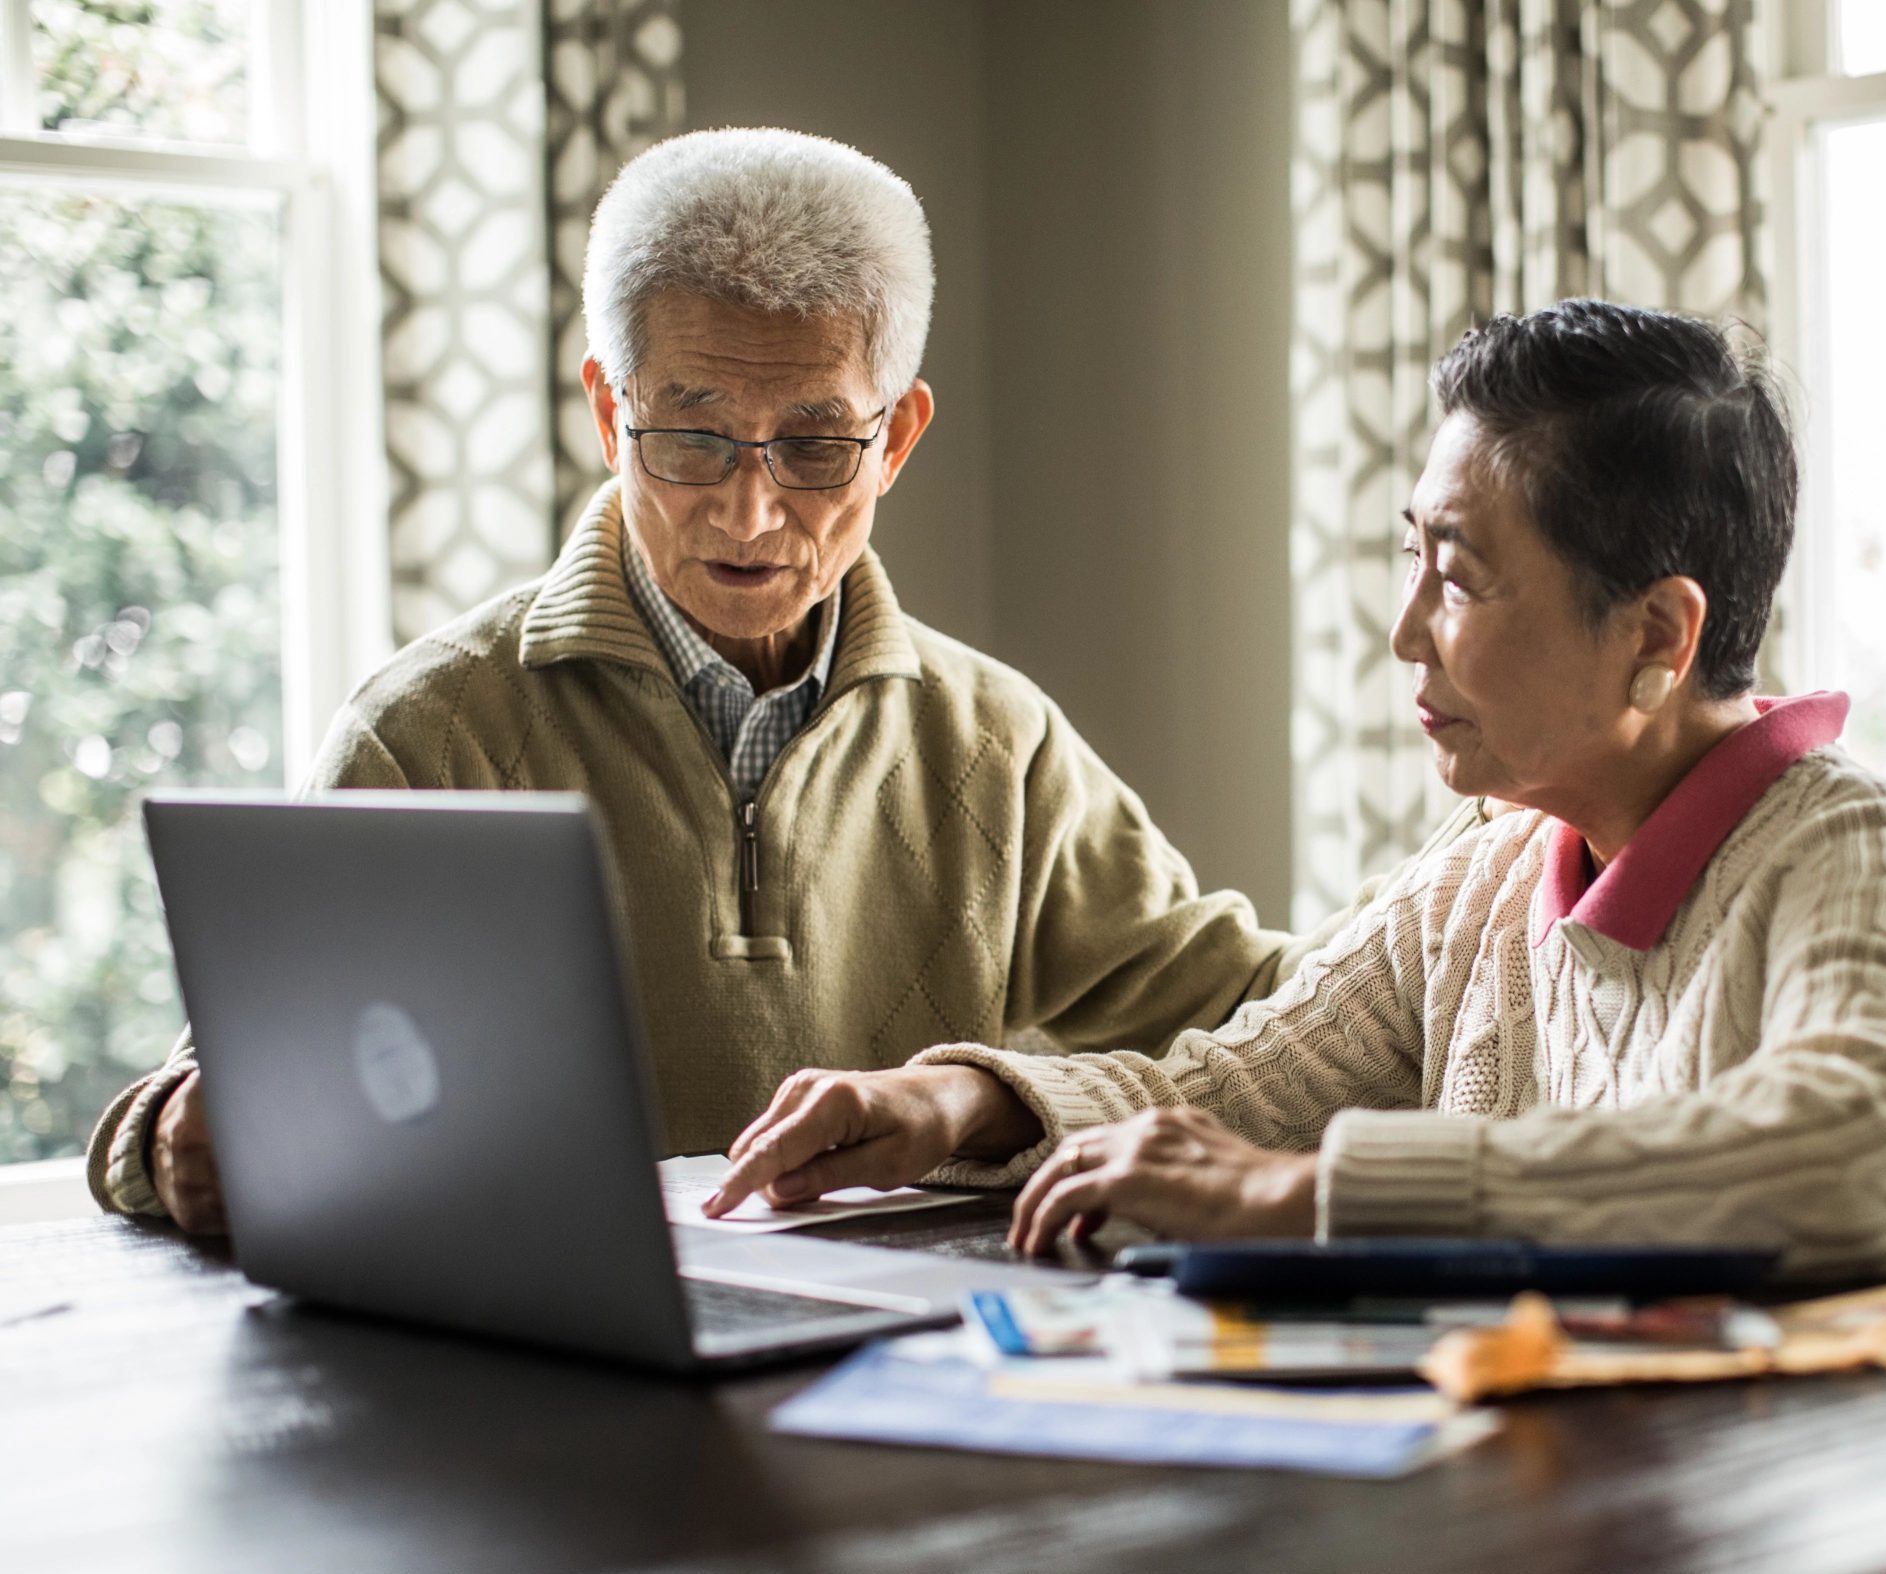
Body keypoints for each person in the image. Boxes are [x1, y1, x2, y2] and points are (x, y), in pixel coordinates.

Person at [86, 127, 1333, 1235]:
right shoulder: (431, 731)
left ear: (895, 436)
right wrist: (167, 1143)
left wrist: (1494, 872)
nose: (750, 507)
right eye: (689, 434)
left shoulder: (995, 744)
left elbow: (1274, 1023)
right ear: (605, 410)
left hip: (894, 1405)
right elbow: (211, 1097)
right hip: (529, 1404)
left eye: (814, 442)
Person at [701, 300, 1886, 1289]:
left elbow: (1840, 1166)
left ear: (1655, 634)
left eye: (1457, 576)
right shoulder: (1485, 866)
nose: (1405, 631)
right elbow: (1230, 1092)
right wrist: (958, 1107)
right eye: (1411, 558)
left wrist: (1313, 1199)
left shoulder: (1872, 859)